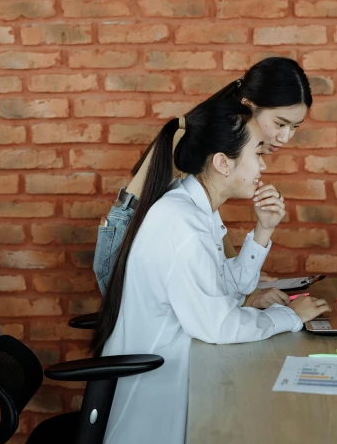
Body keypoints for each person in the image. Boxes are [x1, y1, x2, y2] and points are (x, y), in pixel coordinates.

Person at [94, 97, 331, 444]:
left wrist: (263, 230)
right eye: (258, 152)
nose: (264, 164)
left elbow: (227, 288)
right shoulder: (182, 224)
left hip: (182, 375)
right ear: (223, 162)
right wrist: (287, 316)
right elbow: (217, 326)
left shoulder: (190, 206)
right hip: (157, 412)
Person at [93, 57, 310, 309]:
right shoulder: (207, 136)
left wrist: (236, 273)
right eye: (280, 123)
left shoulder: (226, 134)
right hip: (124, 243)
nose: (285, 136)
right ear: (249, 106)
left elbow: (209, 220)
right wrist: (243, 291)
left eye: (295, 126)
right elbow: (199, 222)